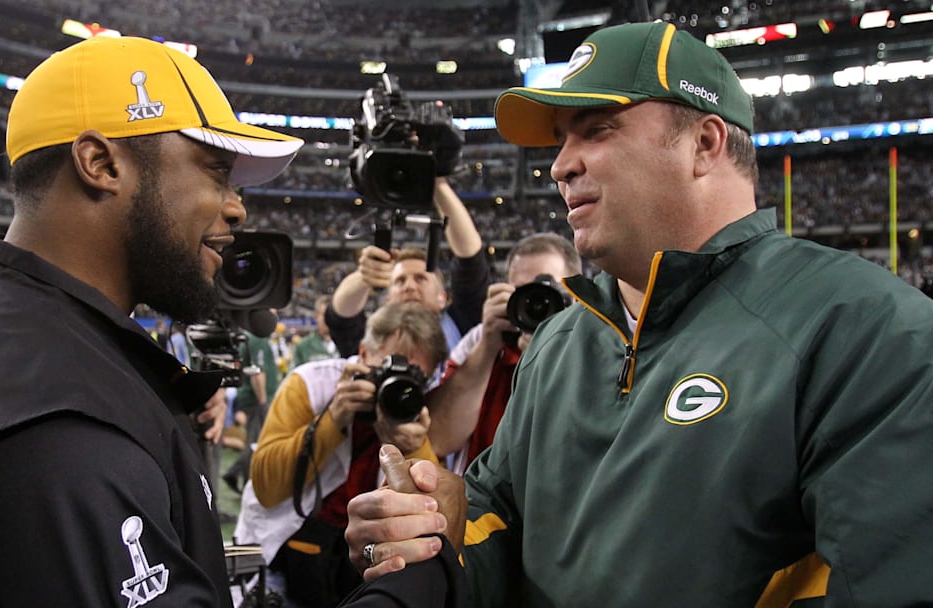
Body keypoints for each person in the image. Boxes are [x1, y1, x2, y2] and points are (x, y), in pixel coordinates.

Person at [343, 21, 933, 607]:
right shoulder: (557, 341)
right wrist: (442, 540)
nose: (559, 166)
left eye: (595, 130)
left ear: (704, 144)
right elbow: (499, 520)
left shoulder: (864, 325)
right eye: (559, 141)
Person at [0, 35, 304, 607]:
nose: (236, 206)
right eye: (216, 171)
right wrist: (409, 581)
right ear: (100, 163)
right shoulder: (57, 419)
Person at [234, 302, 449, 608]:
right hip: (285, 552)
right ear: (362, 354)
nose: (398, 385)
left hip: (362, 567)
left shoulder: (417, 410)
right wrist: (333, 418)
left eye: (413, 378)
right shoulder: (311, 384)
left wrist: (412, 446)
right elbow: (267, 488)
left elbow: (433, 515)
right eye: (388, 367)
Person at [426, 233, 581, 473]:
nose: (535, 302)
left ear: (575, 295)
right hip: (483, 503)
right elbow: (440, 439)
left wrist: (553, 359)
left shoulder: (594, 340)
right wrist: (487, 347)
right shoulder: (483, 338)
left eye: (545, 289)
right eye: (522, 291)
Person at [325, 175, 490, 356]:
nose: (409, 287)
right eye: (400, 281)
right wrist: (364, 276)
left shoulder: (462, 324)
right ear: (387, 300)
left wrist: (436, 181)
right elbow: (340, 318)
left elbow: (471, 259)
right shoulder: (373, 336)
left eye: (420, 279)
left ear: (442, 298)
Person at [221, 327, 282, 494]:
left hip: (252, 398)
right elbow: (257, 373)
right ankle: (250, 486)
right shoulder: (257, 337)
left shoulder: (252, 337)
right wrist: (263, 403)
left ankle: (234, 473)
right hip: (256, 400)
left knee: (253, 441)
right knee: (256, 443)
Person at [290, 295, 338, 369]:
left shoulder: (347, 345)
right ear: (316, 316)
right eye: (325, 314)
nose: (329, 318)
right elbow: (293, 376)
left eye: (333, 314)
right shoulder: (303, 346)